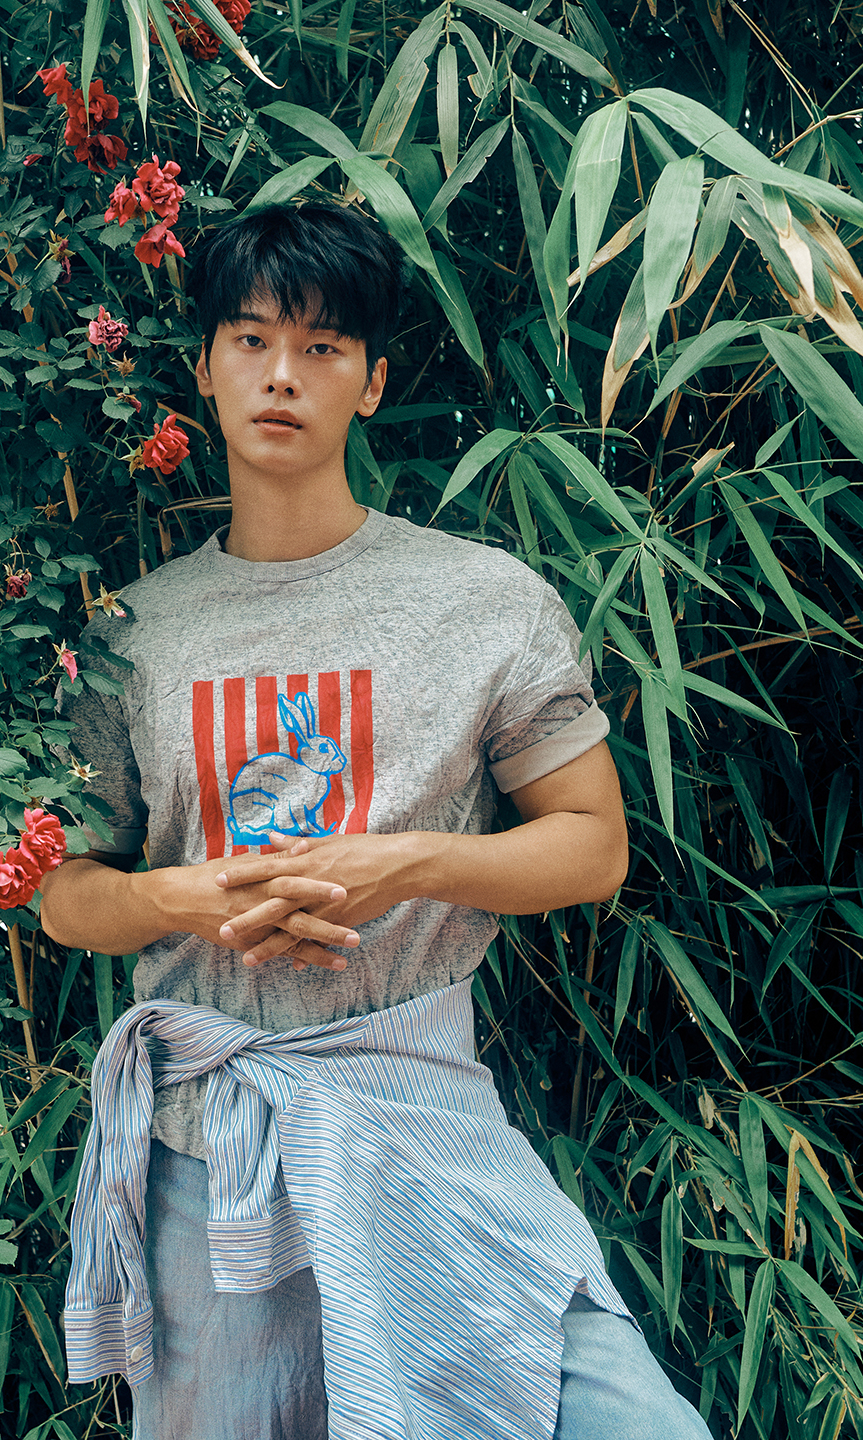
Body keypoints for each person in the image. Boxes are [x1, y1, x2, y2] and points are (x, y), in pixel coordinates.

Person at [40, 202, 711, 1440]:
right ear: (205, 367)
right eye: (251, 340)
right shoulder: (130, 635)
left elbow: (593, 846)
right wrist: (183, 899)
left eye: (323, 347)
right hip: (209, 1150)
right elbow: (64, 892)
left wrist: (400, 866)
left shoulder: (482, 601)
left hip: (420, 1117)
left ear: (373, 380)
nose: (281, 376)